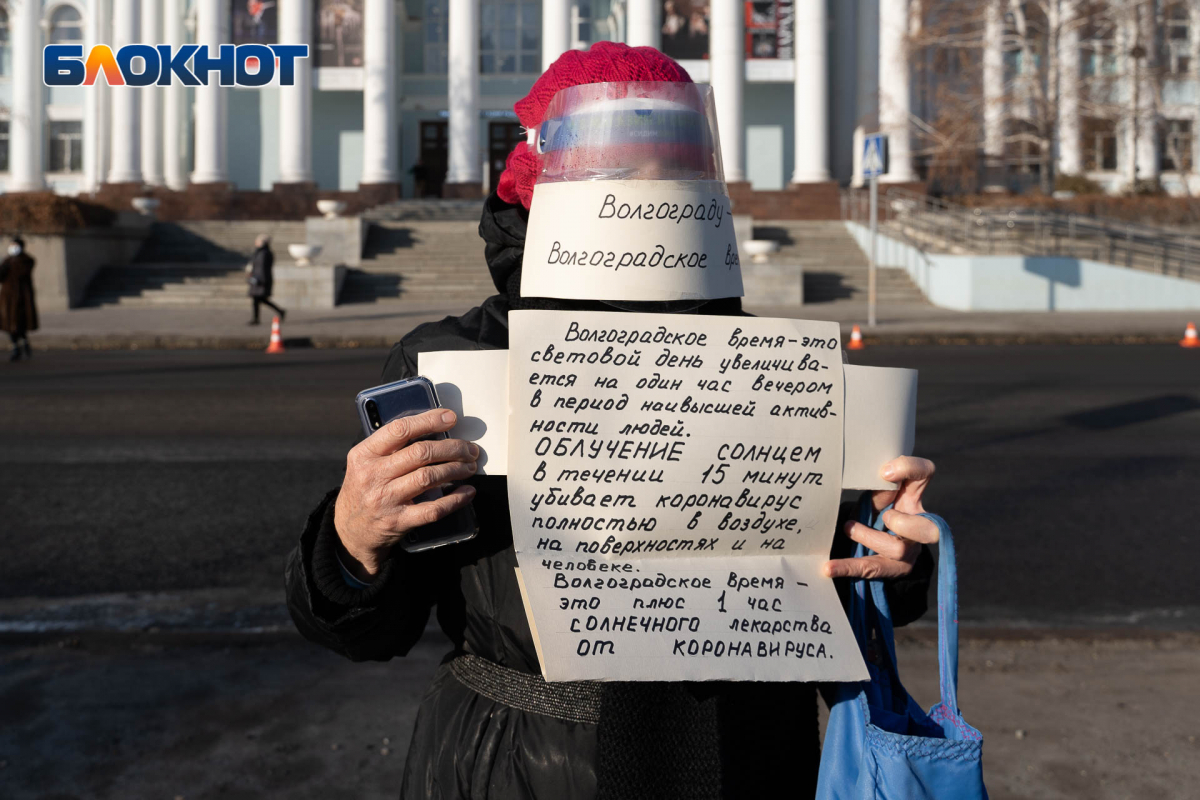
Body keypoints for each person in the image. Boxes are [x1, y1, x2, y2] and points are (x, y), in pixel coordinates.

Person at [286, 43, 939, 799]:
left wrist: (896, 560)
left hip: (746, 759)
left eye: (669, 166)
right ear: (536, 185)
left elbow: (841, 592)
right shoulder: (451, 366)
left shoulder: (774, 370)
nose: (644, 194)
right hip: (515, 766)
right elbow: (368, 630)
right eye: (615, 170)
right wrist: (351, 541)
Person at [0, 236, 38, 362]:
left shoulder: (26, 260)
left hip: (22, 298)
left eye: (15, 245)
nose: (13, 247)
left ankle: (23, 342)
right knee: (9, 325)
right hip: (8, 299)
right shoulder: (7, 261)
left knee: (20, 323)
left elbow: (23, 272)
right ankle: (16, 347)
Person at [246, 234, 285, 326]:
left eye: (257, 241)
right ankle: (279, 311)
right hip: (257, 278)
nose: (255, 243)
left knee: (259, 299)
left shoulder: (265, 253)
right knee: (260, 299)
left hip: (261, 280)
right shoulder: (260, 252)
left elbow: (263, 268)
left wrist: (261, 280)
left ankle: (256, 319)